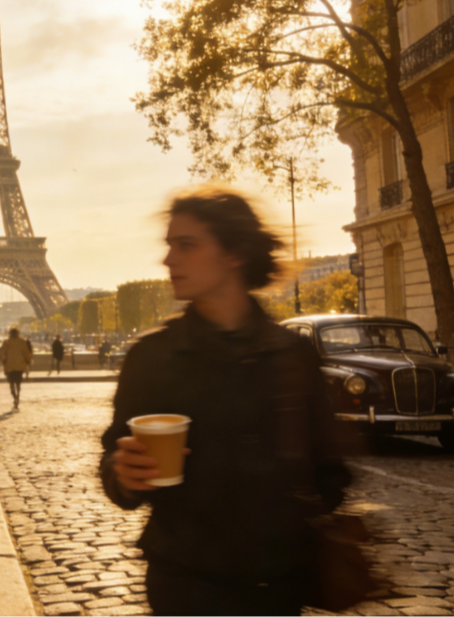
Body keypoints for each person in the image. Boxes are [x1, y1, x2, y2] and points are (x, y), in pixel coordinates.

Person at [99, 185, 351, 617]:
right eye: (169, 245)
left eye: (186, 245)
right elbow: (115, 462)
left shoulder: (294, 356)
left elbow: (331, 472)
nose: (168, 259)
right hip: (185, 587)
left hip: (274, 588)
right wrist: (122, 474)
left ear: (234, 253)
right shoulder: (150, 358)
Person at [0, 328, 32, 410]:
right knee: (18, 383)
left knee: (11, 383)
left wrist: (3, 362)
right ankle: (18, 395)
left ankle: (14, 397)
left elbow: (3, 354)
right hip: (19, 366)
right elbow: (26, 353)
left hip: (10, 366)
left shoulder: (6, 342)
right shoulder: (22, 342)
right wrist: (28, 361)